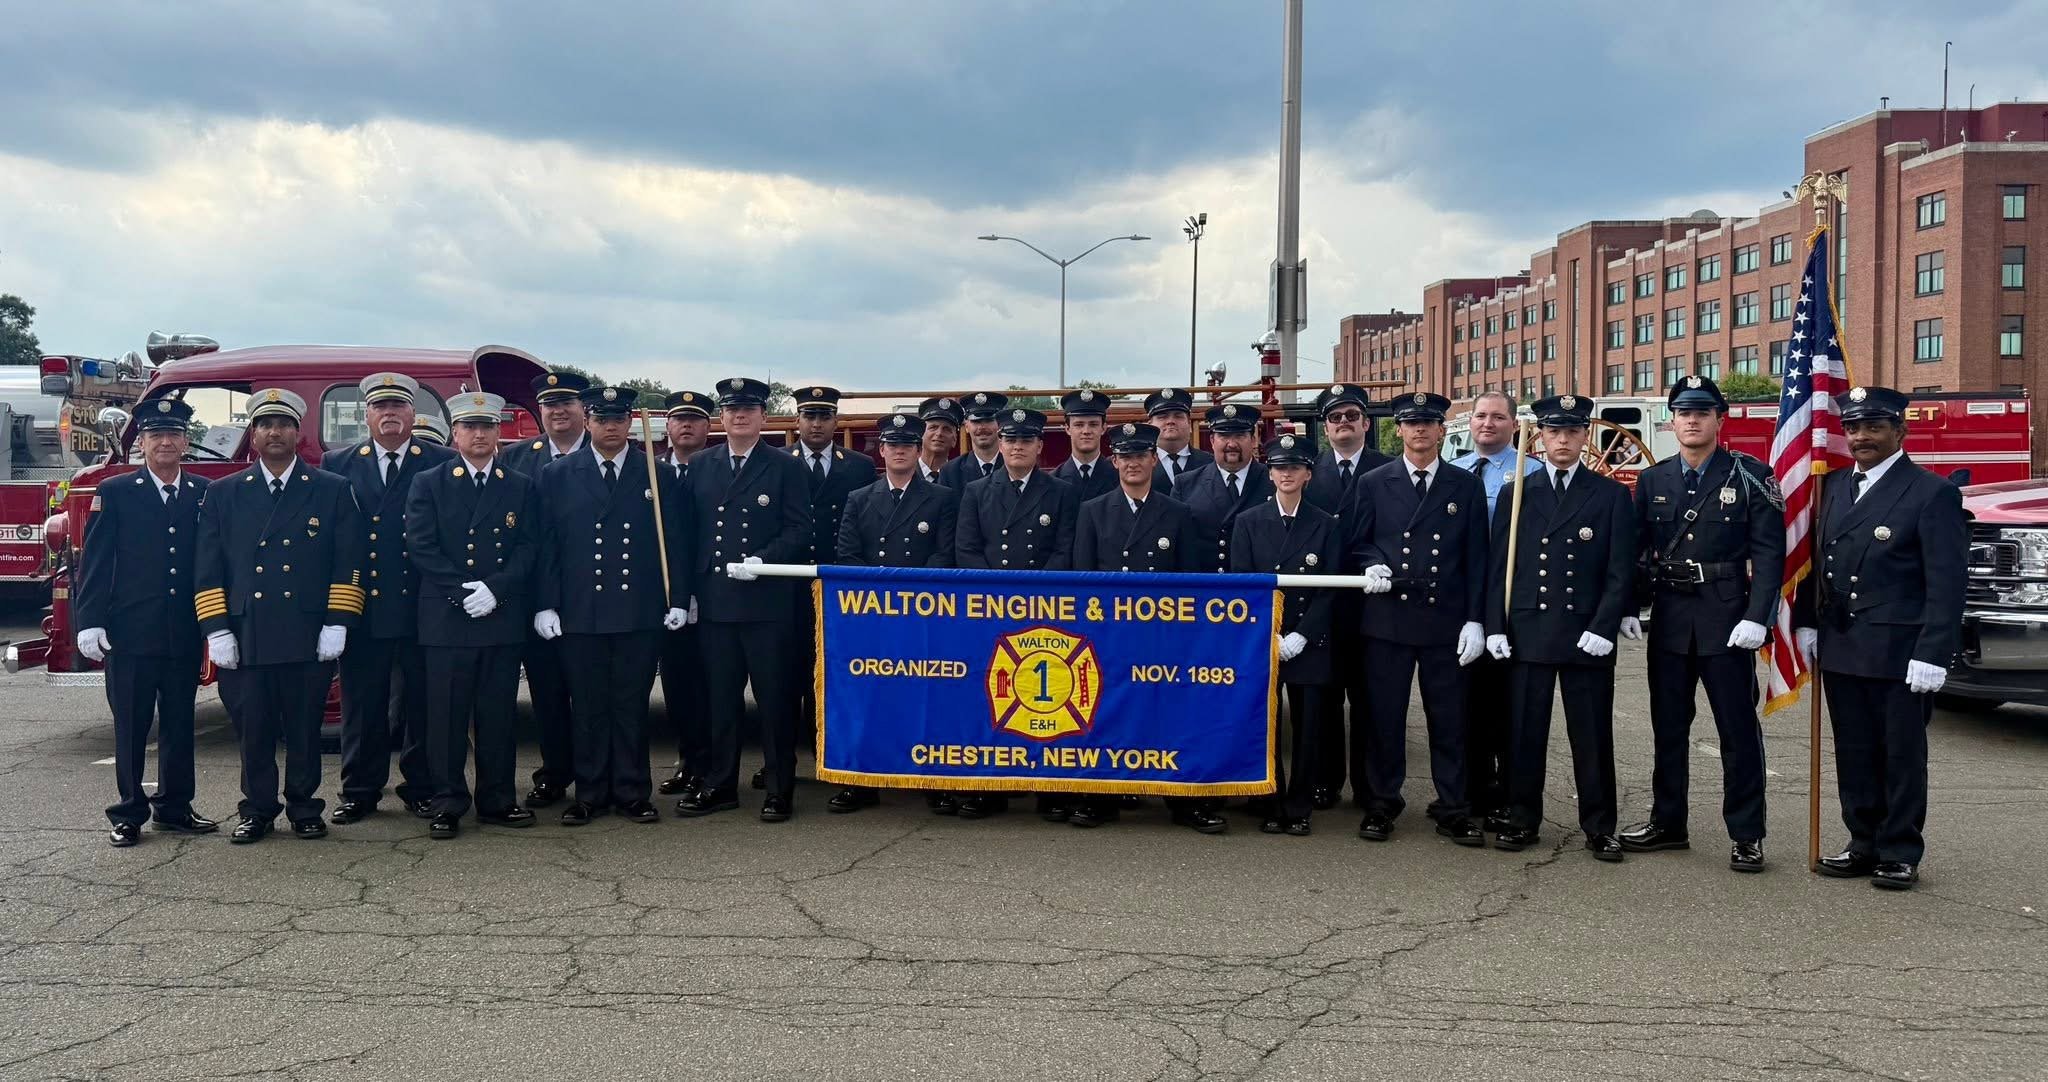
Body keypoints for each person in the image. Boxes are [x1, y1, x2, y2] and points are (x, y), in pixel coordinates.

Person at [1794, 385, 1968, 891]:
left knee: (1900, 754)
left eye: (1874, 427)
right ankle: (1862, 842)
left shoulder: (1931, 492)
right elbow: (1818, 562)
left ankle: (1898, 850)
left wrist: (1935, 651)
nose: (1861, 436)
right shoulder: (1837, 486)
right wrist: (1807, 619)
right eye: (1853, 428)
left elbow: (1946, 580)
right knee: (1854, 750)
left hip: (1900, 649)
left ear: (1900, 430)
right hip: (1844, 643)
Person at [1620, 376, 1786, 872]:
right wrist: (1630, 605)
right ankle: (1668, 822)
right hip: (1670, 619)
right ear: (1671, 420)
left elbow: (1770, 553)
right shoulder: (1653, 480)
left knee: (1737, 731)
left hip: (1728, 619)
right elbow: (1636, 551)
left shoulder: (1751, 474)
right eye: (1683, 412)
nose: (1691, 420)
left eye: (1702, 411)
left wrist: (1759, 616)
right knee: (1668, 729)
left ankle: (1747, 834)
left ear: (1720, 418)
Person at [195, 388, 364, 843]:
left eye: (284, 424)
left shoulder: (331, 490)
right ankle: (257, 809)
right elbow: (207, 566)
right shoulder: (224, 493)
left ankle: (305, 807)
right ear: (253, 435)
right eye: (265, 425)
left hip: (307, 630)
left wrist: (338, 620)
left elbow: (349, 560)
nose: (274, 432)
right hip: (248, 632)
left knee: (305, 727)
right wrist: (217, 629)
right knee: (254, 728)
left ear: (297, 433)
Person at [1482, 394, 1635, 861]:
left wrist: (1604, 624)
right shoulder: (1518, 492)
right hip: (1529, 629)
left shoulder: (1608, 495)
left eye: (1572, 432)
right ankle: (1522, 817)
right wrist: (1495, 626)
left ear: (1585, 437)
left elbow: (1620, 569)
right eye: (1554, 432)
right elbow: (1498, 569)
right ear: (1540, 438)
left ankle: (1600, 826)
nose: (1563, 440)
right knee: (1524, 735)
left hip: (1584, 631)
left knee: (1591, 736)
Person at [530, 385, 691, 826]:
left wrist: (679, 598)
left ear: (630, 424)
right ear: (588, 421)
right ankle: (590, 793)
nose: (611, 427)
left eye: (619, 419)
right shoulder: (558, 474)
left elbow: (674, 543)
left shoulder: (656, 474)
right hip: (579, 611)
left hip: (638, 611)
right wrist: (546, 604)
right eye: (602, 419)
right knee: (587, 706)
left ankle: (633, 791)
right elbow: (547, 546)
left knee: (630, 704)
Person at [74, 396, 216, 848]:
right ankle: (128, 812)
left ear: (185, 441)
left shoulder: (201, 493)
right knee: (132, 727)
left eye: (173, 435)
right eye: (156, 436)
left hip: (182, 632)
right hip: (130, 633)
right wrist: (89, 621)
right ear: (143, 444)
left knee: (179, 725)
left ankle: (174, 807)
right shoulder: (116, 492)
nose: (165, 443)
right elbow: (96, 563)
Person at [1347, 392, 1487, 845]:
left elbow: (1476, 557)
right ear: (1399, 431)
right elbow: (1357, 540)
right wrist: (1370, 562)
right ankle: (1382, 803)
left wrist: (1475, 619)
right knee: (1384, 718)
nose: (1420, 431)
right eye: (1411, 424)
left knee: (1450, 720)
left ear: (1442, 430)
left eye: (1428, 423)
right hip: (1388, 618)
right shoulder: (1373, 480)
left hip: (1444, 618)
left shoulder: (1463, 485)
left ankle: (1454, 806)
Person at [404, 392, 539, 839]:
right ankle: (447, 802)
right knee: (445, 718)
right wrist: (464, 591)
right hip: (447, 618)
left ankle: (499, 800)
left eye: (487, 427)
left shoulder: (519, 484)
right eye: (469, 427)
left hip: (499, 616)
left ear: (498, 433)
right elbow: (421, 546)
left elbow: (528, 547)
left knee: (498, 715)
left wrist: (495, 589)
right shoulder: (429, 482)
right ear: (455, 434)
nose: (479, 435)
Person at [679, 377, 813, 822]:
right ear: (721, 417)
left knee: (774, 701)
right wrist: (687, 594)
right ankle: (720, 784)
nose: (740, 416)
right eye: (732, 410)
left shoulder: (786, 465)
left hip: (767, 604)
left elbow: (799, 530)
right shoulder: (700, 465)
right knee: (720, 699)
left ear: (763, 418)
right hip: (716, 602)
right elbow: (686, 535)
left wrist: (763, 560)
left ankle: (779, 788)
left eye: (749, 410)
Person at [1071, 421, 1214, 832]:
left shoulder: (1179, 513)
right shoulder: (1093, 511)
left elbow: (1191, 584)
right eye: (1125, 457)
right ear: (1113, 461)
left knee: (1171, 718)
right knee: (1107, 716)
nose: (1133, 464)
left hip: (1162, 637)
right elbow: (1083, 582)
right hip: (1111, 636)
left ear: (1154, 459)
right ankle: (1102, 798)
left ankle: (1183, 800)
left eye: (1140, 456)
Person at [328, 372, 452, 826]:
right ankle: (359, 789)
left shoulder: (440, 460)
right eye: (380, 408)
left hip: (422, 605)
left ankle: (419, 786)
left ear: (413, 415)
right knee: (363, 705)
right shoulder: (338, 464)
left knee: (421, 704)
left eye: (398, 407)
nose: (390, 415)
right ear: (367, 416)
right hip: (365, 605)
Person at [825, 412, 960, 813]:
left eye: (907, 446)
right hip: (872, 615)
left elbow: (943, 554)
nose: (899, 452)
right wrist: (880, 597)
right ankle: (863, 781)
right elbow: (848, 554)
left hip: (922, 615)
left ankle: (931, 779)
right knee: (869, 698)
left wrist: (910, 594)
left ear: (918, 451)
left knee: (925, 697)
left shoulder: (942, 498)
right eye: (892, 446)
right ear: (881, 451)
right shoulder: (860, 498)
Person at [951, 406, 1079, 819]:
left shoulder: (1060, 492)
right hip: (992, 610)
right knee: (995, 699)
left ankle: (1049, 790)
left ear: (1040, 446)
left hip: (1044, 610)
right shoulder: (976, 491)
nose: (1017, 447)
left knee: (1048, 703)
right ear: (1000, 444)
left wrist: (1034, 591)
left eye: (1026, 441)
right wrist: (999, 593)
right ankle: (990, 788)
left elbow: (1065, 550)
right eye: (1011, 440)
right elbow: (966, 549)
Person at [1229, 434, 1340, 837]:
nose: (1286, 474)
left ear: (1308, 474)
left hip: (1309, 643)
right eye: (1279, 468)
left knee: (1310, 728)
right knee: (1267, 723)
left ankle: (1300, 804)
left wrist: (1303, 635)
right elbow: (1243, 587)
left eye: (1294, 467)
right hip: (1265, 641)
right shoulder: (1248, 522)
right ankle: (1269, 800)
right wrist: (1269, 635)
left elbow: (1330, 587)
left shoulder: (1326, 524)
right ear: (1270, 474)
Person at [1448, 391, 1543, 831]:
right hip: (1464, 601)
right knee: (1464, 702)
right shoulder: (1455, 474)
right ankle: (1470, 790)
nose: (1488, 423)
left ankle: (1506, 793)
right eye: (1481, 416)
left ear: (1513, 425)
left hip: (1510, 604)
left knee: (1506, 706)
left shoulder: (1532, 473)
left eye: (1497, 417)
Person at [501, 368, 592, 808]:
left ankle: (598, 777)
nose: (558, 412)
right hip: (534, 596)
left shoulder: (607, 451)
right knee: (547, 694)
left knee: (595, 696)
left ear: (583, 410)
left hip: (593, 594)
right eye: (550, 405)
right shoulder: (516, 458)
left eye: (567, 404)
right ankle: (554, 774)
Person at [1303, 383, 1392, 811]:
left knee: (1369, 700)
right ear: (1325, 427)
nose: (1344, 424)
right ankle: (1326, 780)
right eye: (1335, 417)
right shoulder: (1305, 470)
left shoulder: (1387, 468)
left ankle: (1368, 786)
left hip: (1372, 604)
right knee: (1323, 698)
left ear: (1366, 423)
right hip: (1321, 604)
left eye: (1351, 416)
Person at [789, 385, 877, 745]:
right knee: (788, 671)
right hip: (790, 583)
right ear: (797, 420)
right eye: (809, 416)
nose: (816, 424)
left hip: (838, 583)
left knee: (833, 671)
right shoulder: (779, 462)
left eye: (824, 416)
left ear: (836, 421)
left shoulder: (859, 466)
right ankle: (787, 752)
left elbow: (868, 524)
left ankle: (827, 746)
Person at [656, 390, 714, 798]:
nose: (687, 425)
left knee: (711, 686)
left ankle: (708, 764)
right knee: (677, 686)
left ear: (709, 427)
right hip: (664, 601)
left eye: (695, 419)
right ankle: (686, 759)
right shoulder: (650, 471)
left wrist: (694, 590)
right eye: (679, 419)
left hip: (711, 596)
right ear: (667, 427)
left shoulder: (718, 469)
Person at [1176, 402, 1272, 573]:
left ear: (1253, 439)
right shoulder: (1186, 485)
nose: (1232, 444)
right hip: (1207, 589)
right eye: (1224, 436)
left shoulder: (1274, 483)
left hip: (1259, 590)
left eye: (1240, 435)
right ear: (1212, 440)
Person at [1052, 388, 1118, 500]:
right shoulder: (1053, 481)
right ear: (1067, 429)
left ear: (1103, 428)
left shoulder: (1119, 477)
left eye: (1093, 424)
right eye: (1079, 425)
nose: (1086, 431)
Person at [937, 391, 1008, 488]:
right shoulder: (950, 471)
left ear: (1000, 424)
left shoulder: (1014, 466)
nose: (982, 427)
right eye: (976, 421)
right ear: (966, 426)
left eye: (988, 420)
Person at [1147, 388, 1214, 486]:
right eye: (1162, 417)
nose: (1170, 421)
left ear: (1189, 424)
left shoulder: (1211, 463)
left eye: (1178, 416)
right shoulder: (1137, 466)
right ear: (1150, 426)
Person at [917, 396, 962, 484]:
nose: (939, 433)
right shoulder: (902, 474)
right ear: (920, 434)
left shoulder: (962, 478)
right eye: (933, 427)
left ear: (954, 440)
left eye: (946, 429)